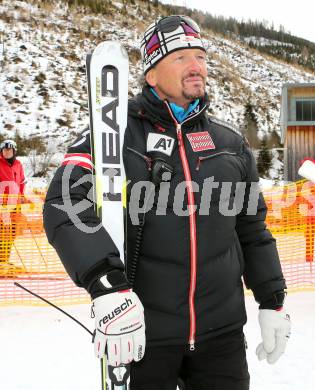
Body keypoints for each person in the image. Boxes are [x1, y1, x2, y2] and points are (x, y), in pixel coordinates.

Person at [44, 15, 291, 390]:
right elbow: (64, 202)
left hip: (221, 335)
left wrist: (272, 300)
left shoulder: (229, 143)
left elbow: (252, 228)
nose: (196, 66)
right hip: (143, 334)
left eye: (201, 56)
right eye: (180, 57)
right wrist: (105, 283)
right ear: (151, 75)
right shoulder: (113, 131)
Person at [0, 139, 26, 274]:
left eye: (9, 150)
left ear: (14, 151)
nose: (6, 152)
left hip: (15, 205)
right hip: (2, 206)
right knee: (2, 232)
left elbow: (21, 182)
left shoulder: (18, 164)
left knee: (11, 233)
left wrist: (21, 196)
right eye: (4, 150)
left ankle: (4, 260)